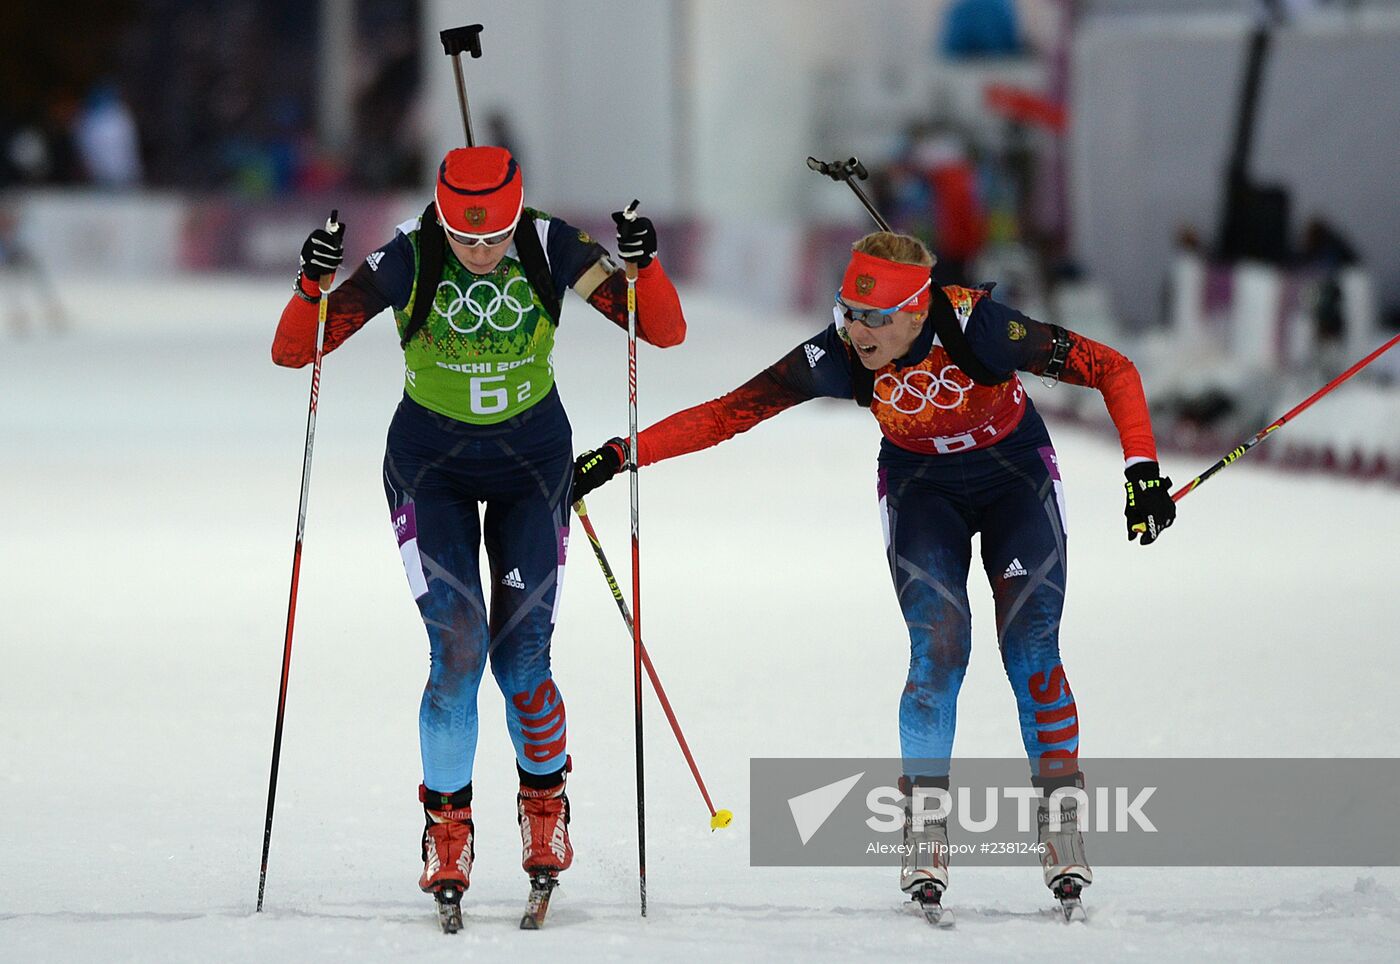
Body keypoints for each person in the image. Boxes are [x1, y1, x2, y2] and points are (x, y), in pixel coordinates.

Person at [571, 231, 1174, 911]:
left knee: (1031, 647)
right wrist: (619, 454)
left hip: (1014, 480)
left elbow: (1112, 368)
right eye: (848, 313)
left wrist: (1142, 472)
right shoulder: (836, 352)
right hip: (922, 490)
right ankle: (925, 829)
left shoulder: (983, 326)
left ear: (917, 313)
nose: (857, 332)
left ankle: (1061, 820)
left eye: (875, 319)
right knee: (938, 651)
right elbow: (728, 413)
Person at [270, 146, 687, 913]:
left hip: (531, 468)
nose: (484, 255)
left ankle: (544, 808)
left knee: (521, 660)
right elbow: (297, 352)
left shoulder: (550, 243)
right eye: (468, 241)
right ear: (440, 215)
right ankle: (448, 828)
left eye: (495, 237)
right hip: (431, 469)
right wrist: (311, 285)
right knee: (458, 651)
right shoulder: (408, 253)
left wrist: (644, 265)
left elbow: (660, 331)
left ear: (516, 213)